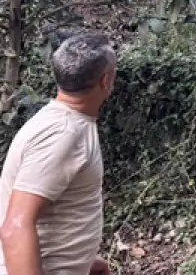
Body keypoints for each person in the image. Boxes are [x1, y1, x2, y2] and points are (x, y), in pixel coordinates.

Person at [0, 33, 117, 275]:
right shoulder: (63, 134)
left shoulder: (66, 122)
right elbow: (16, 226)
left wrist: (85, 262)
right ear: (105, 81)